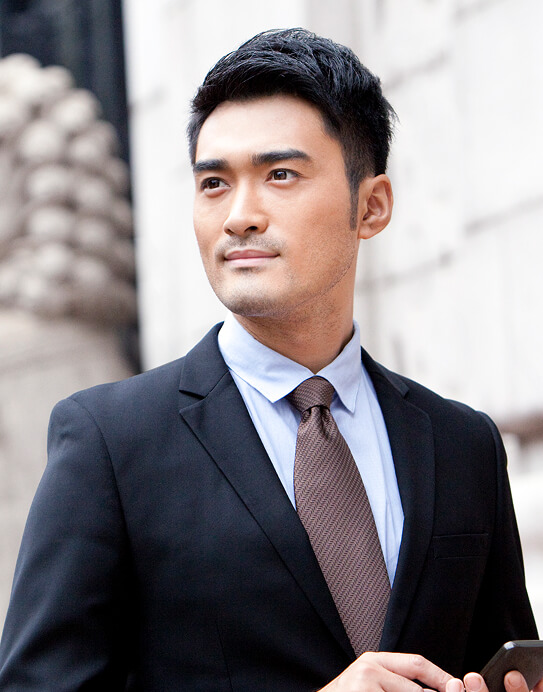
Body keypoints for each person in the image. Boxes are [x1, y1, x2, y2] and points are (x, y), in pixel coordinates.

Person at [0, 28, 539, 692]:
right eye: (213, 183)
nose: (239, 216)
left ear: (371, 207)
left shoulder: (463, 445)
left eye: (280, 175)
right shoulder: (109, 441)